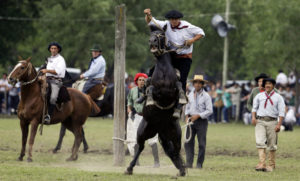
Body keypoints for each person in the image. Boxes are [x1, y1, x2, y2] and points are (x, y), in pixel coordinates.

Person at [141, 9, 205, 117]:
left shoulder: (187, 26)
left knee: (182, 79)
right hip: (171, 55)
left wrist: (191, 41)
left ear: (179, 19)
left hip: (184, 57)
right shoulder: (166, 24)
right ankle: (146, 91)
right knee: (155, 69)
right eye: (172, 19)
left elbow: (201, 33)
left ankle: (179, 105)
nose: (173, 21)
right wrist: (148, 14)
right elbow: (150, 21)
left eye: (175, 19)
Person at [126, 73, 160, 167]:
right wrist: (129, 111)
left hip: (149, 118)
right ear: (136, 81)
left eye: (143, 80)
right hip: (137, 116)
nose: (142, 81)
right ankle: (136, 161)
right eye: (140, 80)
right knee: (136, 139)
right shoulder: (132, 91)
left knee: (152, 140)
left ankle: (156, 162)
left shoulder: (151, 91)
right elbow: (129, 103)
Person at [252, 78, 285, 172]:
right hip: (260, 121)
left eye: (269, 84)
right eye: (266, 84)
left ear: (273, 85)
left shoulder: (278, 97)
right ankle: (262, 163)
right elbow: (254, 108)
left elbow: (281, 112)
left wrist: (279, 124)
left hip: (272, 121)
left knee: (272, 144)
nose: (267, 85)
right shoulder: (259, 96)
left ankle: (271, 165)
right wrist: (253, 118)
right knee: (260, 141)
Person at [184, 75, 213, 169]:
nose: (197, 84)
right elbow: (187, 107)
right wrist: (186, 116)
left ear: (202, 84)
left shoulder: (206, 96)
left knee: (201, 143)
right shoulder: (189, 94)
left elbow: (210, 110)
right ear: (193, 84)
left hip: (201, 122)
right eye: (196, 82)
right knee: (188, 142)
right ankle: (189, 163)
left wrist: (199, 115)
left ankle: (199, 164)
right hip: (190, 120)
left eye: (200, 82)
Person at [41, 42, 66, 122]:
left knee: (53, 98)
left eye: (55, 48)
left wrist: (47, 70)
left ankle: (49, 116)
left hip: (56, 81)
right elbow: (44, 69)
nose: (53, 50)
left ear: (58, 49)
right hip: (47, 79)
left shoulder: (61, 59)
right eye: (52, 48)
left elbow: (57, 71)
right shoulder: (49, 59)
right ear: (50, 50)